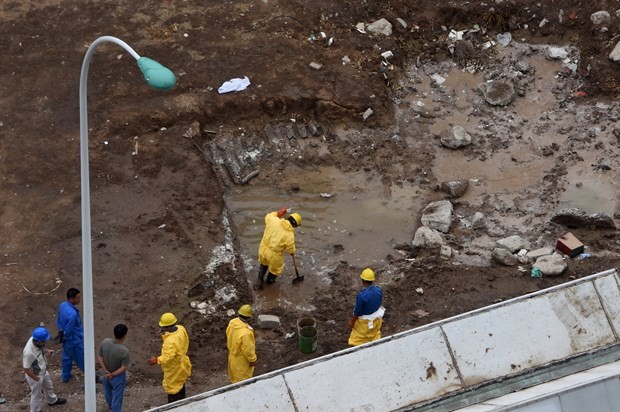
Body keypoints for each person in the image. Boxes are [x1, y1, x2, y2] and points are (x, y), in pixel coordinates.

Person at [148, 313, 192, 403]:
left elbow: (168, 356)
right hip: (182, 363)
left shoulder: (170, 342)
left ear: (168, 327)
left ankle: (173, 405)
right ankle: (182, 400)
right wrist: (164, 333)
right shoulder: (180, 328)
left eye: (163, 327)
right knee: (181, 381)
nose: (162, 328)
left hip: (173, 368)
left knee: (172, 388)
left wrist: (156, 360)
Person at [23, 326, 67, 411]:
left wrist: (46, 350)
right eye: (45, 340)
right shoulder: (29, 353)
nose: (46, 341)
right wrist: (36, 378)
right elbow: (26, 369)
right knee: (36, 395)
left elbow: (40, 347)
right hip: (35, 375)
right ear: (39, 341)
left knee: (48, 386)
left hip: (42, 371)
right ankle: (35, 410)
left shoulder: (35, 339)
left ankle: (52, 400)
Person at [257, 207, 302, 287]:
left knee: (264, 263)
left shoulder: (273, 220)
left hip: (263, 249)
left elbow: (268, 216)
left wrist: (279, 213)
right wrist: (292, 252)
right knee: (275, 270)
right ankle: (269, 284)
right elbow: (290, 248)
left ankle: (259, 280)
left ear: (288, 217)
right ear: (294, 225)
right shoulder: (290, 235)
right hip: (274, 255)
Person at [348, 268, 385, 346]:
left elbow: (358, 311)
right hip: (376, 319)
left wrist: (352, 321)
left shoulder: (362, 296)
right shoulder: (378, 290)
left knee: (358, 336)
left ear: (363, 280)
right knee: (374, 333)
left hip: (364, 322)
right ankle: (375, 341)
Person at [98, 324, 130, 412]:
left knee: (108, 393)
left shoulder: (105, 342)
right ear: (124, 335)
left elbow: (100, 358)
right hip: (117, 377)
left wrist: (106, 371)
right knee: (117, 397)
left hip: (106, 374)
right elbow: (123, 367)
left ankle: (110, 408)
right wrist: (112, 374)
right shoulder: (124, 351)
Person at [56, 287, 84, 383]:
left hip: (66, 339)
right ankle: (92, 378)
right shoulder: (73, 314)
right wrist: (67, 335)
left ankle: (65, 376)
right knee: (83, 359)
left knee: (66, 358)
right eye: (78, 298)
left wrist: (62, 333)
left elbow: (59, 321)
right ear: (71, 298)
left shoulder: (62, 305)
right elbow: (69, 329)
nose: (79, 299)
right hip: (74, 340)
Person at [226, 304, 257, 383]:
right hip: (241, 360)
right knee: (243, 379)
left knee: (233, 376)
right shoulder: (246, 333)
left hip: (232, 355)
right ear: (249, 317)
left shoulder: (232, 322)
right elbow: (248, 349)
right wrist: (253, 360)